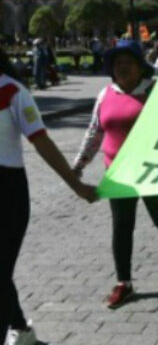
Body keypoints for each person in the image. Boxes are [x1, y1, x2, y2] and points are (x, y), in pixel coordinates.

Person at [73, 39, 158, 309]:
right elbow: (94, 132)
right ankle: (124, 282)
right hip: (118, 173)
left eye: (128, 62)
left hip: (152, 172)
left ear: (140, 66)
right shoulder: (105, 95)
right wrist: (77, 166)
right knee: (122, 227)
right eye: (117, 63)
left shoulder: (157, 91)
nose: (121, 68)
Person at [0, 45, 96, 345]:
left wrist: (76, 186)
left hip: (8, 192)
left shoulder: (13, 92)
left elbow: (42, 143)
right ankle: (21, 329)